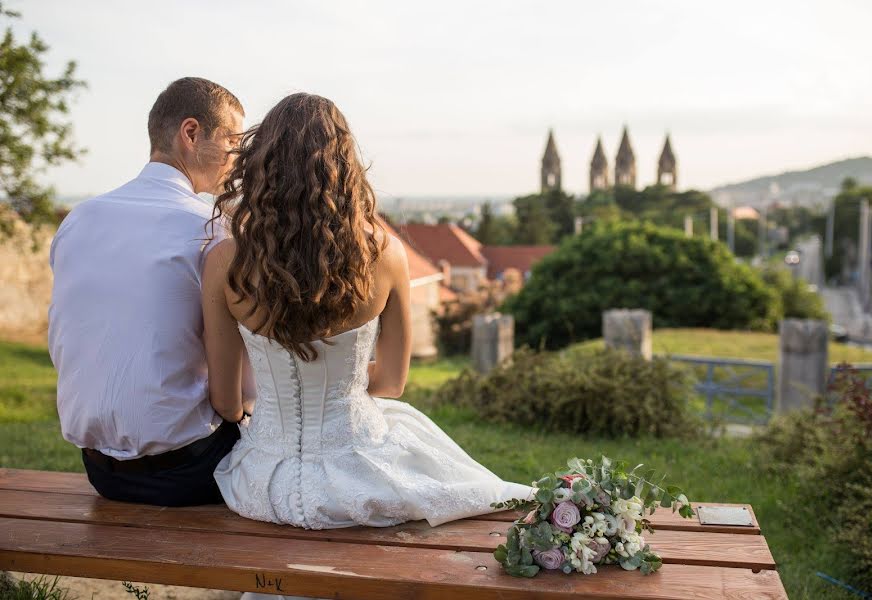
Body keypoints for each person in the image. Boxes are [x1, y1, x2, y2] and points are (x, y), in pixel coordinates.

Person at [206, 93, 534, 538]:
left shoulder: (225, 260)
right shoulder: (386, 254)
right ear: (344, 164)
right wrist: (339, 388)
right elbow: (392, 384)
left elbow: (227, 404)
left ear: (262, 164)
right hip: (357, 476)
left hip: (263, 484)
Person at [48, 77, 252, 506]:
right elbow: (234, 387)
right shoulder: (212, 229)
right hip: (193, 470)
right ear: (191, 133)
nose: (237, 158)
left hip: (100, 470)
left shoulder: (79, 219)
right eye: (232, 142)